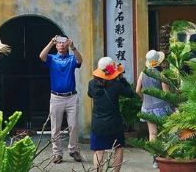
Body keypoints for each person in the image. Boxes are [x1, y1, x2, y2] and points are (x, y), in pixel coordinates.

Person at [39, 35, 83, 164]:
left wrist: (73, 47)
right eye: (59, 43)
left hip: (71, 97)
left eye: (64, 42)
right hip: (56, 97)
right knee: (55, 127)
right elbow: (41, 56)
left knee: (73, 126)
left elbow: (80, 60)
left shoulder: (71, 58)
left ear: (67, 44)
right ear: (56, 45)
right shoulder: (52, 58)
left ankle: (73, 149)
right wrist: (50, 43)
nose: (61, 45)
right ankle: (57, 153)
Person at [88, 57, 135, 172]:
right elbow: (130, 93)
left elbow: (90, 94)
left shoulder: (92, 84)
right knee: (118, 148)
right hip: (114, 123)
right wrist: (121, 78)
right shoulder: (116, 85)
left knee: (99, 151)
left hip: (98, 123)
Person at [136, 50, 174, 142]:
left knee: (152, 133)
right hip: (161, 107)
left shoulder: (142, 73)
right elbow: (166, 94)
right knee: (164, 131)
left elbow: (137, 90)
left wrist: (144, 99)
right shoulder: (161, 75)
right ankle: (164, 150)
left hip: (147, 107)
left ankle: (154, 150)